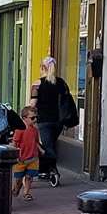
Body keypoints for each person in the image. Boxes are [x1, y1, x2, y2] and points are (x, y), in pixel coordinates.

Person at [30, 56, 76, 185]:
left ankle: (53, 170)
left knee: (48, 146)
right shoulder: (61, 83)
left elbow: (32, 104)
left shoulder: (37, 84)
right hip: (59, 121)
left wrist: (25, 114)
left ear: (42, 68)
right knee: (50, 144)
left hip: (44, 120)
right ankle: (44, 170)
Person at [12, 104, 41, 202]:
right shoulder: (19, 129)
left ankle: (26, 193)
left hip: (33, 158)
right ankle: (16, 189)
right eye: (32, 118)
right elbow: (15, 143)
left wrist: (41, 150)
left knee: (29, 177)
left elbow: (36, 142)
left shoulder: (35, 130)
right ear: (24, 118)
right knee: (18, 179)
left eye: (36, 117)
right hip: (21, 159)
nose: (35, 120)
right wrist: (15, 155)